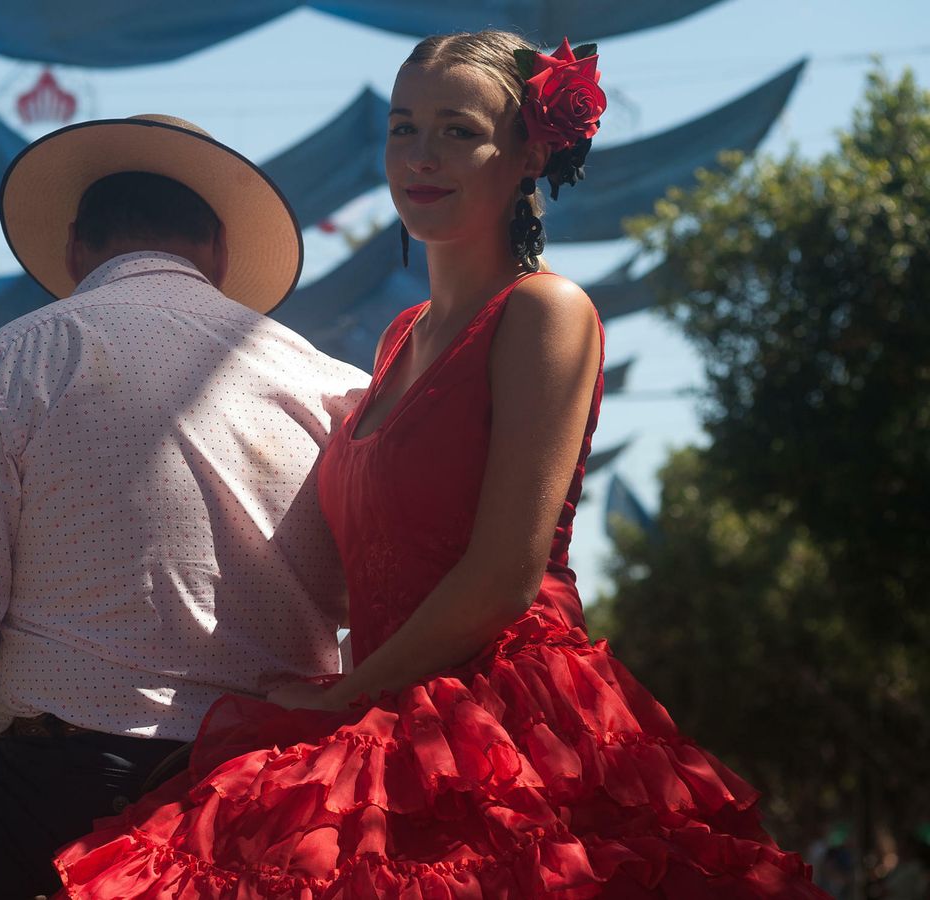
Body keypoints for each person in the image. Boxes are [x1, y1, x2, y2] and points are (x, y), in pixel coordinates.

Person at [55, 31, 824, 897]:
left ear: (531, 150)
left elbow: (503, 578)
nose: (420, 156)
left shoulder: (546, 312)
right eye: (403, 127)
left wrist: (337, 702)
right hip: (385, 702)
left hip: (505, 721)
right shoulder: (397, 340)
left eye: (459, 131)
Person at [0, 115, 367, 899]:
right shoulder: (331, 384)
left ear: (75, 250)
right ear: (221, 255)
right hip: (289, 798)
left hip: (68, 792)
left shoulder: (13, 362)